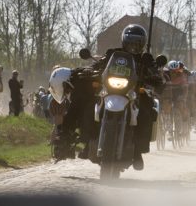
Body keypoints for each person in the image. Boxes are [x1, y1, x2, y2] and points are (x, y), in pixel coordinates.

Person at [50, 24, 165, 170]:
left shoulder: (146, 58)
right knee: (87, 103)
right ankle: (83, 140)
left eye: (137, 42)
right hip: (110, 89)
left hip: (134, 92)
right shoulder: (113, 53)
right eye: (130, 41)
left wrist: (156, 78)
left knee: (147, 109)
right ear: (124, 41)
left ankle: (137, 151)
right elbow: (100, 64)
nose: (133, 45)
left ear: (142, 43)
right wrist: (87, 71)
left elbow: (155, 72)